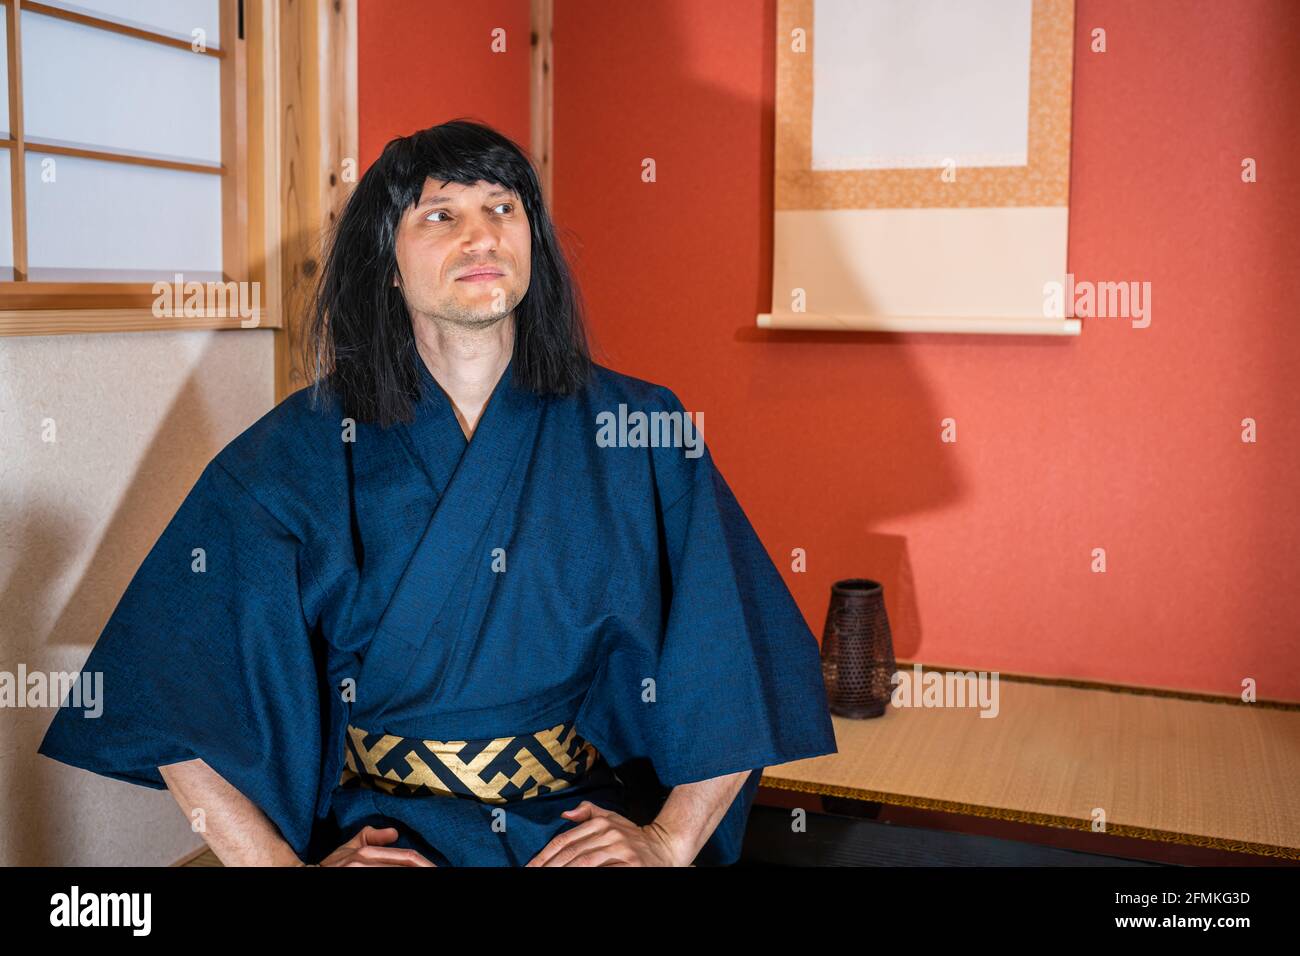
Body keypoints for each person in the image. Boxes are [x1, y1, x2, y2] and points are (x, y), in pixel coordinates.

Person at [38, 119, 837, 867]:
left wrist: (668, 843)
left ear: (535, 244)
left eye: (501, 208)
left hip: (570, 833)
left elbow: (742, 653)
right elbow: (167, 687)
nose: (481, 235)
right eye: (440, 216)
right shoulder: (304, 447)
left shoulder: (640, 426)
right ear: (388, 262)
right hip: (386, 838)